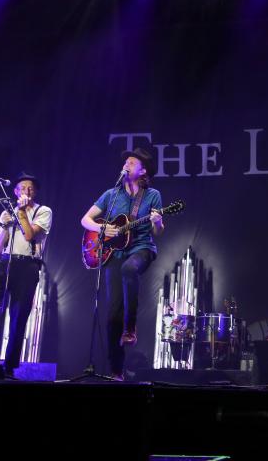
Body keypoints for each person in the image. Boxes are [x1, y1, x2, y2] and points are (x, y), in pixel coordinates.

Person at [81, 147, 164, 380]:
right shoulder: (111, 195)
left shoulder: (152, 195)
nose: (126, 164)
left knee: (130, 269)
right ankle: (116, 371)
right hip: (114, 254)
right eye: (125, 161)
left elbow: (157, 232)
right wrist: (101, 228)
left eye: (132, 162)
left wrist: (157, 222)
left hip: (141, 249)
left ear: (143, 170)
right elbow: (85, 220)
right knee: (112, 316)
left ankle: (131, 327)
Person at [0, 172, 52, 378]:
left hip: (27, 264)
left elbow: (30, 235)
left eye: (30, 188)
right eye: (22, 188)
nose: (26, 191)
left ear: (35, 192)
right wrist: (4, 225)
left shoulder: (43, 211)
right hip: (5, 262)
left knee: (19, 315)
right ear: (15, 191)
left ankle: (10, 366)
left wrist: (21, 212)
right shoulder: (7, 212)